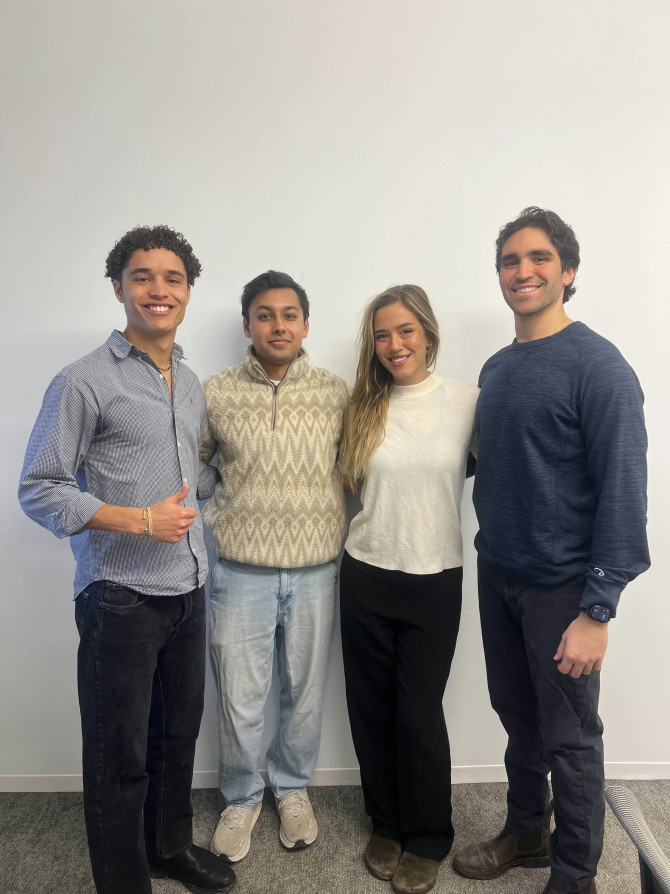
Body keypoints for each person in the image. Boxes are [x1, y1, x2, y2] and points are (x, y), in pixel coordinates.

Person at [18, 226, 235, 894]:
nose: (158, 289)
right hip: (121, 599)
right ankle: (123, 880)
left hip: (188, 591)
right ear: (119, 288)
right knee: (120, 757)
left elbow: (186, 478)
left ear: (189, 292)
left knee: (176, 742)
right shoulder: (82, 381)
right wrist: (139, 520)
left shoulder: (191, 381)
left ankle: (168, 847)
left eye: (172, 278)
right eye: (142, 276)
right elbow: (40, 488)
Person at [452, 207, 650, 894]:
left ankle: (574, 876)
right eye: (510, 260)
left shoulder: (599, 369)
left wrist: (597, 609)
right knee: (517, 715)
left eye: (538, 259)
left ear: (568, 272)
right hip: (498, 572)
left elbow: (624, 492)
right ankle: (527, 831)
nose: (522, 271)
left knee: (570, 737)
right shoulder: (498, 368)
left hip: (563, 588)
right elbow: (487, 460)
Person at [199, 270, 348, 863]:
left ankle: (291, 789)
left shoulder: (336, 393)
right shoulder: (214, 391)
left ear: (306, 325)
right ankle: (240, 798)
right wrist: (218, 503)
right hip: (239, 572)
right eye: (265, 315)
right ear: (247, 325)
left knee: (304, 694)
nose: (278, 325)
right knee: (239, 695)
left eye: (289, 315)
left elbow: (357, 465)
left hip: (316, 570)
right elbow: (195, 465)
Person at [337, 285, 478, 894]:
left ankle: (428, 835)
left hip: (434, 577)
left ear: (428, 333)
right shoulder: (361, 406)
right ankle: (386, 824)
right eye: (382, 334)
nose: (394, 345)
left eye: (405, 331)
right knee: (371, 710)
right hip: (366, 571)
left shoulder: (469, 401)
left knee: (418, 713)